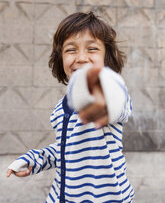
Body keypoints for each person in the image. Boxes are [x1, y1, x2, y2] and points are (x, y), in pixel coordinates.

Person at [6, 12, 135, 203]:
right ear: (60, 59)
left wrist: (103, 85)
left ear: (106, 57)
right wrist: (35, 159)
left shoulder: (110, 93)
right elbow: (63, 149)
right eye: (71, 50)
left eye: (92, 49)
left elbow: (115, 108)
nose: (81, 57)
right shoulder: (61, 107)